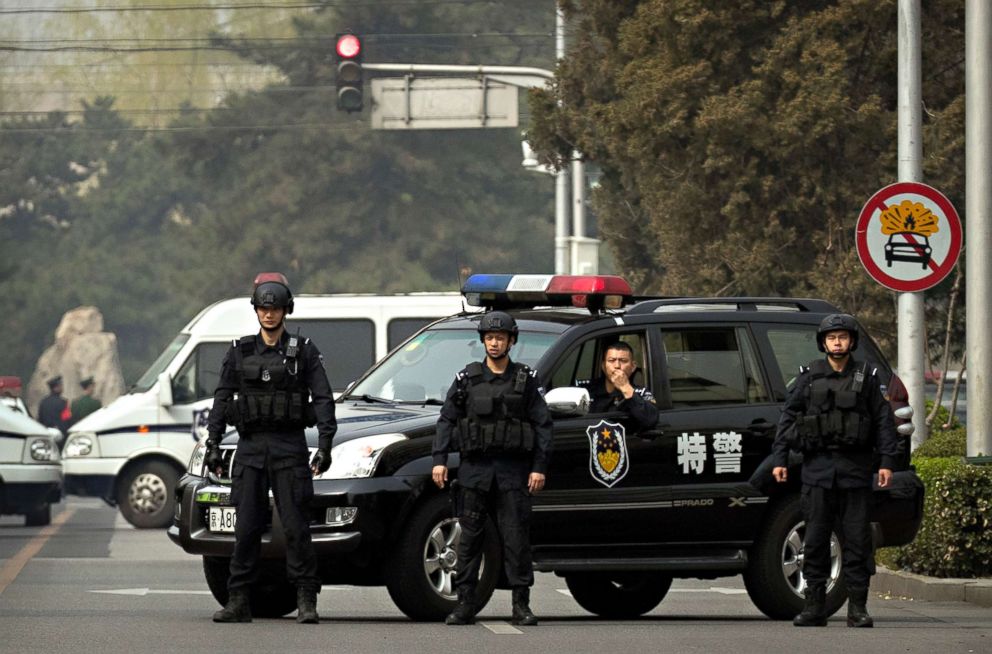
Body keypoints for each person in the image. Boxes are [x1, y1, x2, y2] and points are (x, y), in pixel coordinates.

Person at [204, 273, 337, 625]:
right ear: (256, 310)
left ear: (285, 310)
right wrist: (213, 444)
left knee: (295, 527)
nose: (269, 314)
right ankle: (238, 601)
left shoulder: (304, 351)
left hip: (289, 446)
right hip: (250, 447)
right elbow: (221, 398)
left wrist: (325, 444)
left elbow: (323, 399)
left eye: (275, 308)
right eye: (264, 307)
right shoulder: (239, 351)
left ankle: (306, 599)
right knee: (246, 526)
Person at [771, 313, 899, 628]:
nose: (837, 342)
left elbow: (884, 422)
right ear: (823, 342)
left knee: (857, 539)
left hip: (855, 470)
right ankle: (815, 607)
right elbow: (788, 419)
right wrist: (779, 460)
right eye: (831, 338)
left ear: (851, 341)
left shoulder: (867, 377)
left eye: (842, 337)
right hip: (817, 470)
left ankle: (857, 608)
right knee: (814, 539)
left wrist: (886, 462)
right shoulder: (809, 377)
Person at [431, 310, 553, 626]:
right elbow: (446, 419)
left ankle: (521, 605)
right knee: (469, 539)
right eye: (489, 338)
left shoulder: (526, 379)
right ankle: (465, 604)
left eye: (500, 338)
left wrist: (538, 467)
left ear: (511, 341)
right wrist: (439, 460)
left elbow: (543, 424)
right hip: (475, 471)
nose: (494, 343)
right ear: (482, 341)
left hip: (513, 471)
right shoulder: (466, 378)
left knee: (516, 538)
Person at [581, 341, 659, 431]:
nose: (617, 366)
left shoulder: (641, 393)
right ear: (603, 366)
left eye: (623, 361)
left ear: (633, 367)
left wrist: (625, 387)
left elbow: (651, 420)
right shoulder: (588, 391)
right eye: (611, 360)